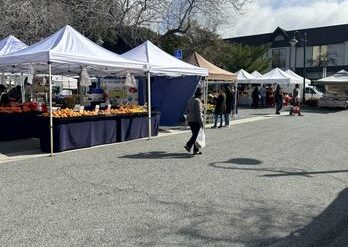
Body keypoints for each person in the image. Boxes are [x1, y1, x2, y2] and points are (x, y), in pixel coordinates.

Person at [184, 88, 204, 155]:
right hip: (196, 120)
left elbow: (187, 110)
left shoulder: (190, 99)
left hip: (190, 120)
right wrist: (201, 123)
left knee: (195, 135)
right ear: (200, 95)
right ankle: (188, 145)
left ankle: (196, 150)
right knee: (196, 135)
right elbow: (198, 113)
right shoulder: (197, 101)